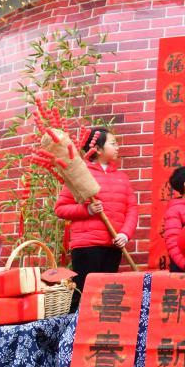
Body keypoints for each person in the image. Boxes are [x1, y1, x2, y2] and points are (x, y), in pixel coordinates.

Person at [54, 127, 138, 309]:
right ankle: (76, 327)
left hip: (114, 245)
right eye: (113, 143)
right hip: (87, 246)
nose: (117, 147)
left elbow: (132, 209)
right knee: (84, 295)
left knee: (105, 298)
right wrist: (87, 210)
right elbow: (60, 209)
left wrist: (125, 234)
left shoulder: (122, 178)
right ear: (98, 149)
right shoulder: (80, 174)